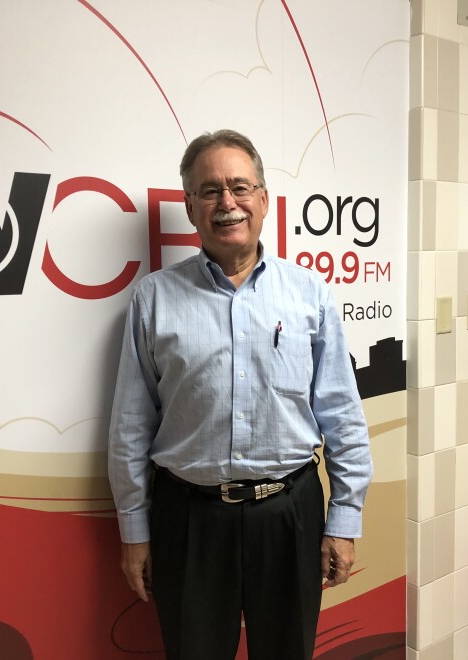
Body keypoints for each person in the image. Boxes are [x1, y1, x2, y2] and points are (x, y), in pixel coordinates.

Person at [108, 129, 372, 659]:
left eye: (239, 187)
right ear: (189, 207)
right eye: (209, 191)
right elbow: (131, 427)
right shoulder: (153, 299)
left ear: (263, 199)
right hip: (189, 521)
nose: (226, 203)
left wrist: (344, 519)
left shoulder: (309, 294)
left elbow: (341, 413)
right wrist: (135, 531)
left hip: (291, 515)